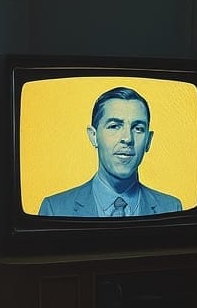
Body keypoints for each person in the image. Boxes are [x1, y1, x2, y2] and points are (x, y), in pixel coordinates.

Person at [39, 86, 182, 217]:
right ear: (93, 136)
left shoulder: (171, 208)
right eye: (114, 126)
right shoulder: (54, 209)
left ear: (148, 141)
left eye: (138, 128)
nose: (127, 138)